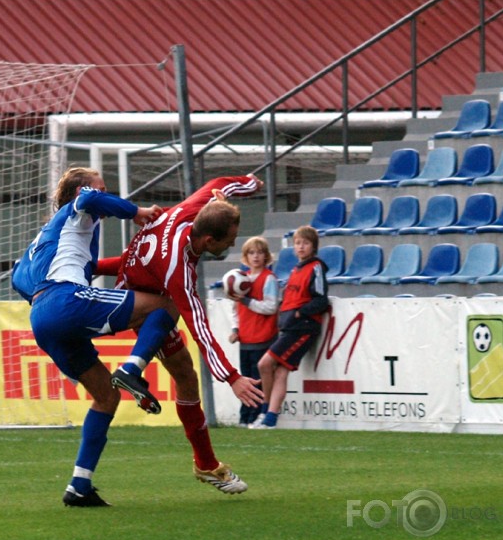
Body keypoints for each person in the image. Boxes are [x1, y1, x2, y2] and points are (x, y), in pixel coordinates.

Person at [12, 166, 180, 507]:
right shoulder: (79, 207)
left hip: (41, 318)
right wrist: (139, 213)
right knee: (164, 305)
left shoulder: (46, 238)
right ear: (81, 194)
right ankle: (133, 369)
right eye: (102, 189)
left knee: (105, 396)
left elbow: (19, 279)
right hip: (66, 301)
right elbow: (90, 198)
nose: (105, 195)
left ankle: (79, 485)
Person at [97, 174, 264, 494]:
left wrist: (250, 182)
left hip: (139, 274)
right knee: (175, 328)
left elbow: (220, 184)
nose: (232, 245)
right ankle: (133, 369)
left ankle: (205, 463)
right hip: (138, 306)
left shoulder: (197, 208)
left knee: (186, 375)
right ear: (207, 241)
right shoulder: (178, 270)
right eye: (229, 240)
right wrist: (232, 377)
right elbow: (199, 326)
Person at [250, 225, 330, 430]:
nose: (301, 246)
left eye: (305, 243)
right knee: (279, 371)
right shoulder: (296, 269)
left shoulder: (316, 267)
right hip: (291, 327)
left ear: (313, 246)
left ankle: (267, 412)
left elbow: (321, 300)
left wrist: (300, 313)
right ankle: (269, 417)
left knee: (264, 364)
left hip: (303, 328)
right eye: (297, 243)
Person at [227, 236, 279, 427]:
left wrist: (247, 301)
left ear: (266, 256)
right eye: (251, 253)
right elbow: (235, 309)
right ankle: (245, 417)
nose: (256, 256)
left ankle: (257, 416)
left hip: (264, 338)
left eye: (260, 252)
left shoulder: (269, 279)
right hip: (246, 339)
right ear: (245, 257)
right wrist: (235, 329)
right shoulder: (240, 278)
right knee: (245, 380)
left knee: (258, 381)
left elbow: (271, 307)